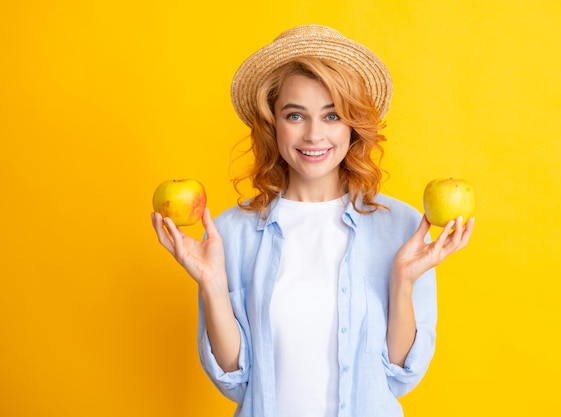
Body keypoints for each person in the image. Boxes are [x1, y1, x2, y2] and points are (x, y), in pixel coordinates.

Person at [151, 24, 474, 417]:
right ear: (273, 123)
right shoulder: (230, 233)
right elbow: (234, 381)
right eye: (295, 115)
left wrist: (403, 282)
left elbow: (400, 375)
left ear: (353, 124)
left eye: (332, 115)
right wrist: (212, 286)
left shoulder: (403, 227)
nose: (314, 135)